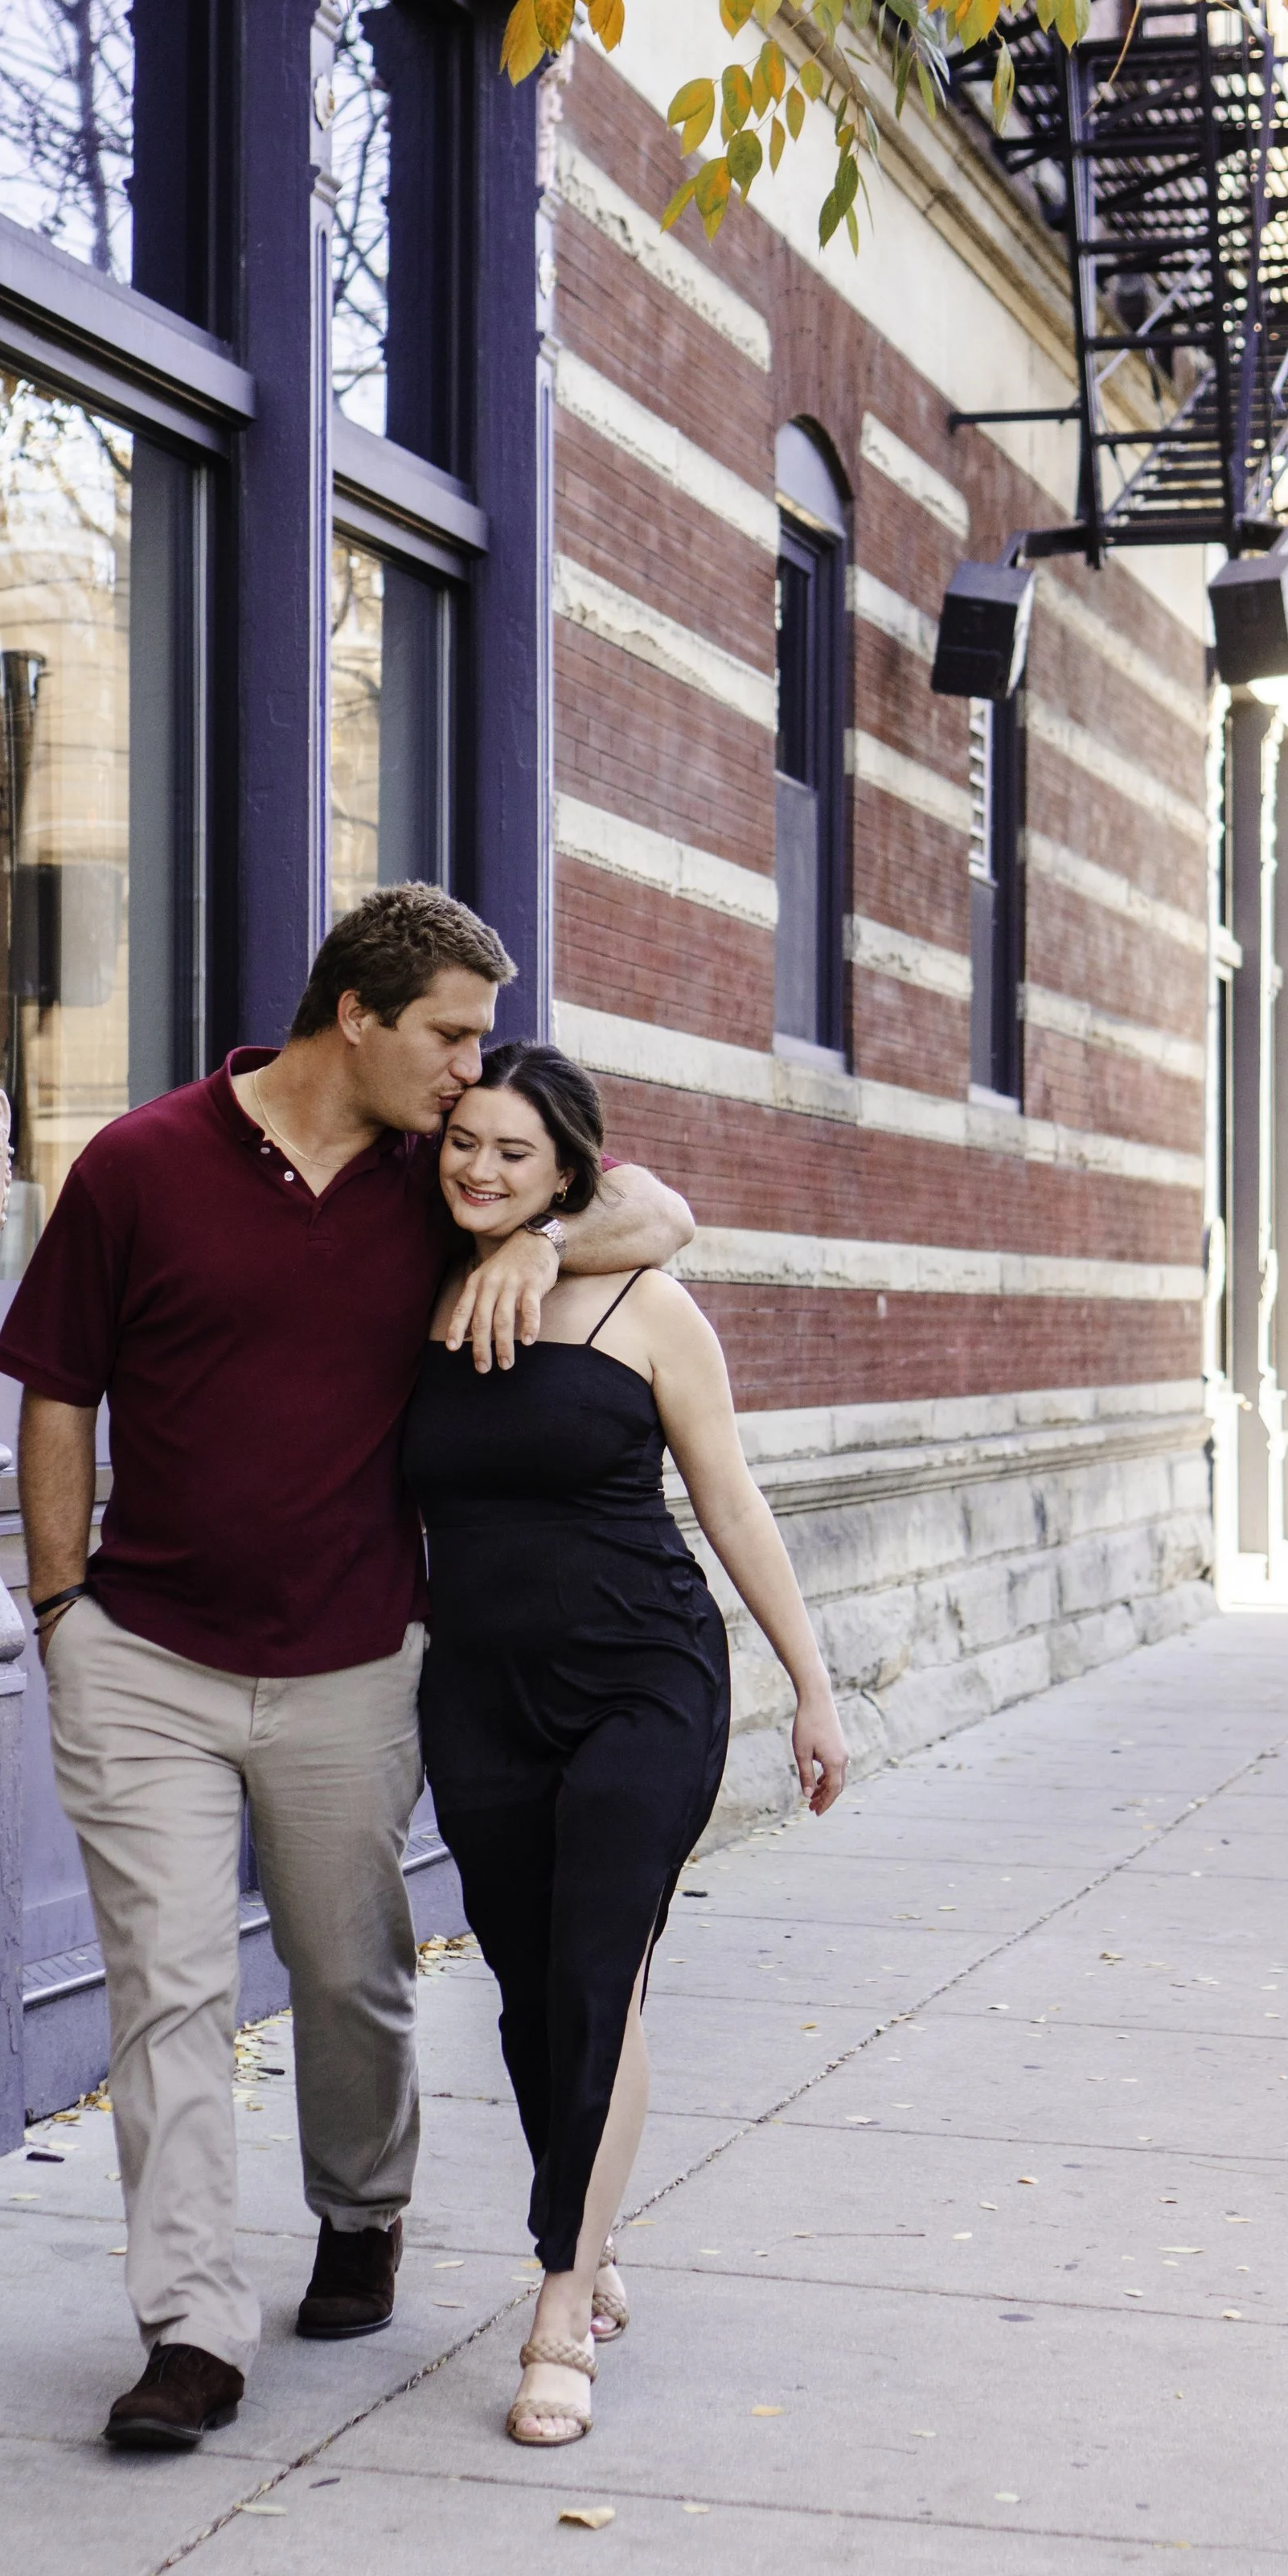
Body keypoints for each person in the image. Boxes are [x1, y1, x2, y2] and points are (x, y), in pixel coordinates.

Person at [0, 886, 695, 2451]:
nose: (469, 1077)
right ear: (356, 1018)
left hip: (353, 1662)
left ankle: (360, 2208)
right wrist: (59, 1609)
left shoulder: (438, 1191)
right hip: (148, 1661)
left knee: (345, 1974)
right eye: (448, 1037)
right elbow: (55, 1392)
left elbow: (661, 1212)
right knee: (166, 1996)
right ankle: (187, 2328)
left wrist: (555, 1237)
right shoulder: (140, 1165)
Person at [400, 1039, 848, 2449]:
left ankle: (554, 2306)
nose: (479, 1166)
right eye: (463, 1140)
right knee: (538, 1996)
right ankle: (592, 2233)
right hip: (478, 1694)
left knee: (600, 1970)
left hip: (644, 1679)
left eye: (514, 1151)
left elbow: (732, 1503)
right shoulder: (416, 1285)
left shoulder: (649, 1306)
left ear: (568, 1170)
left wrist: (814, 1687)